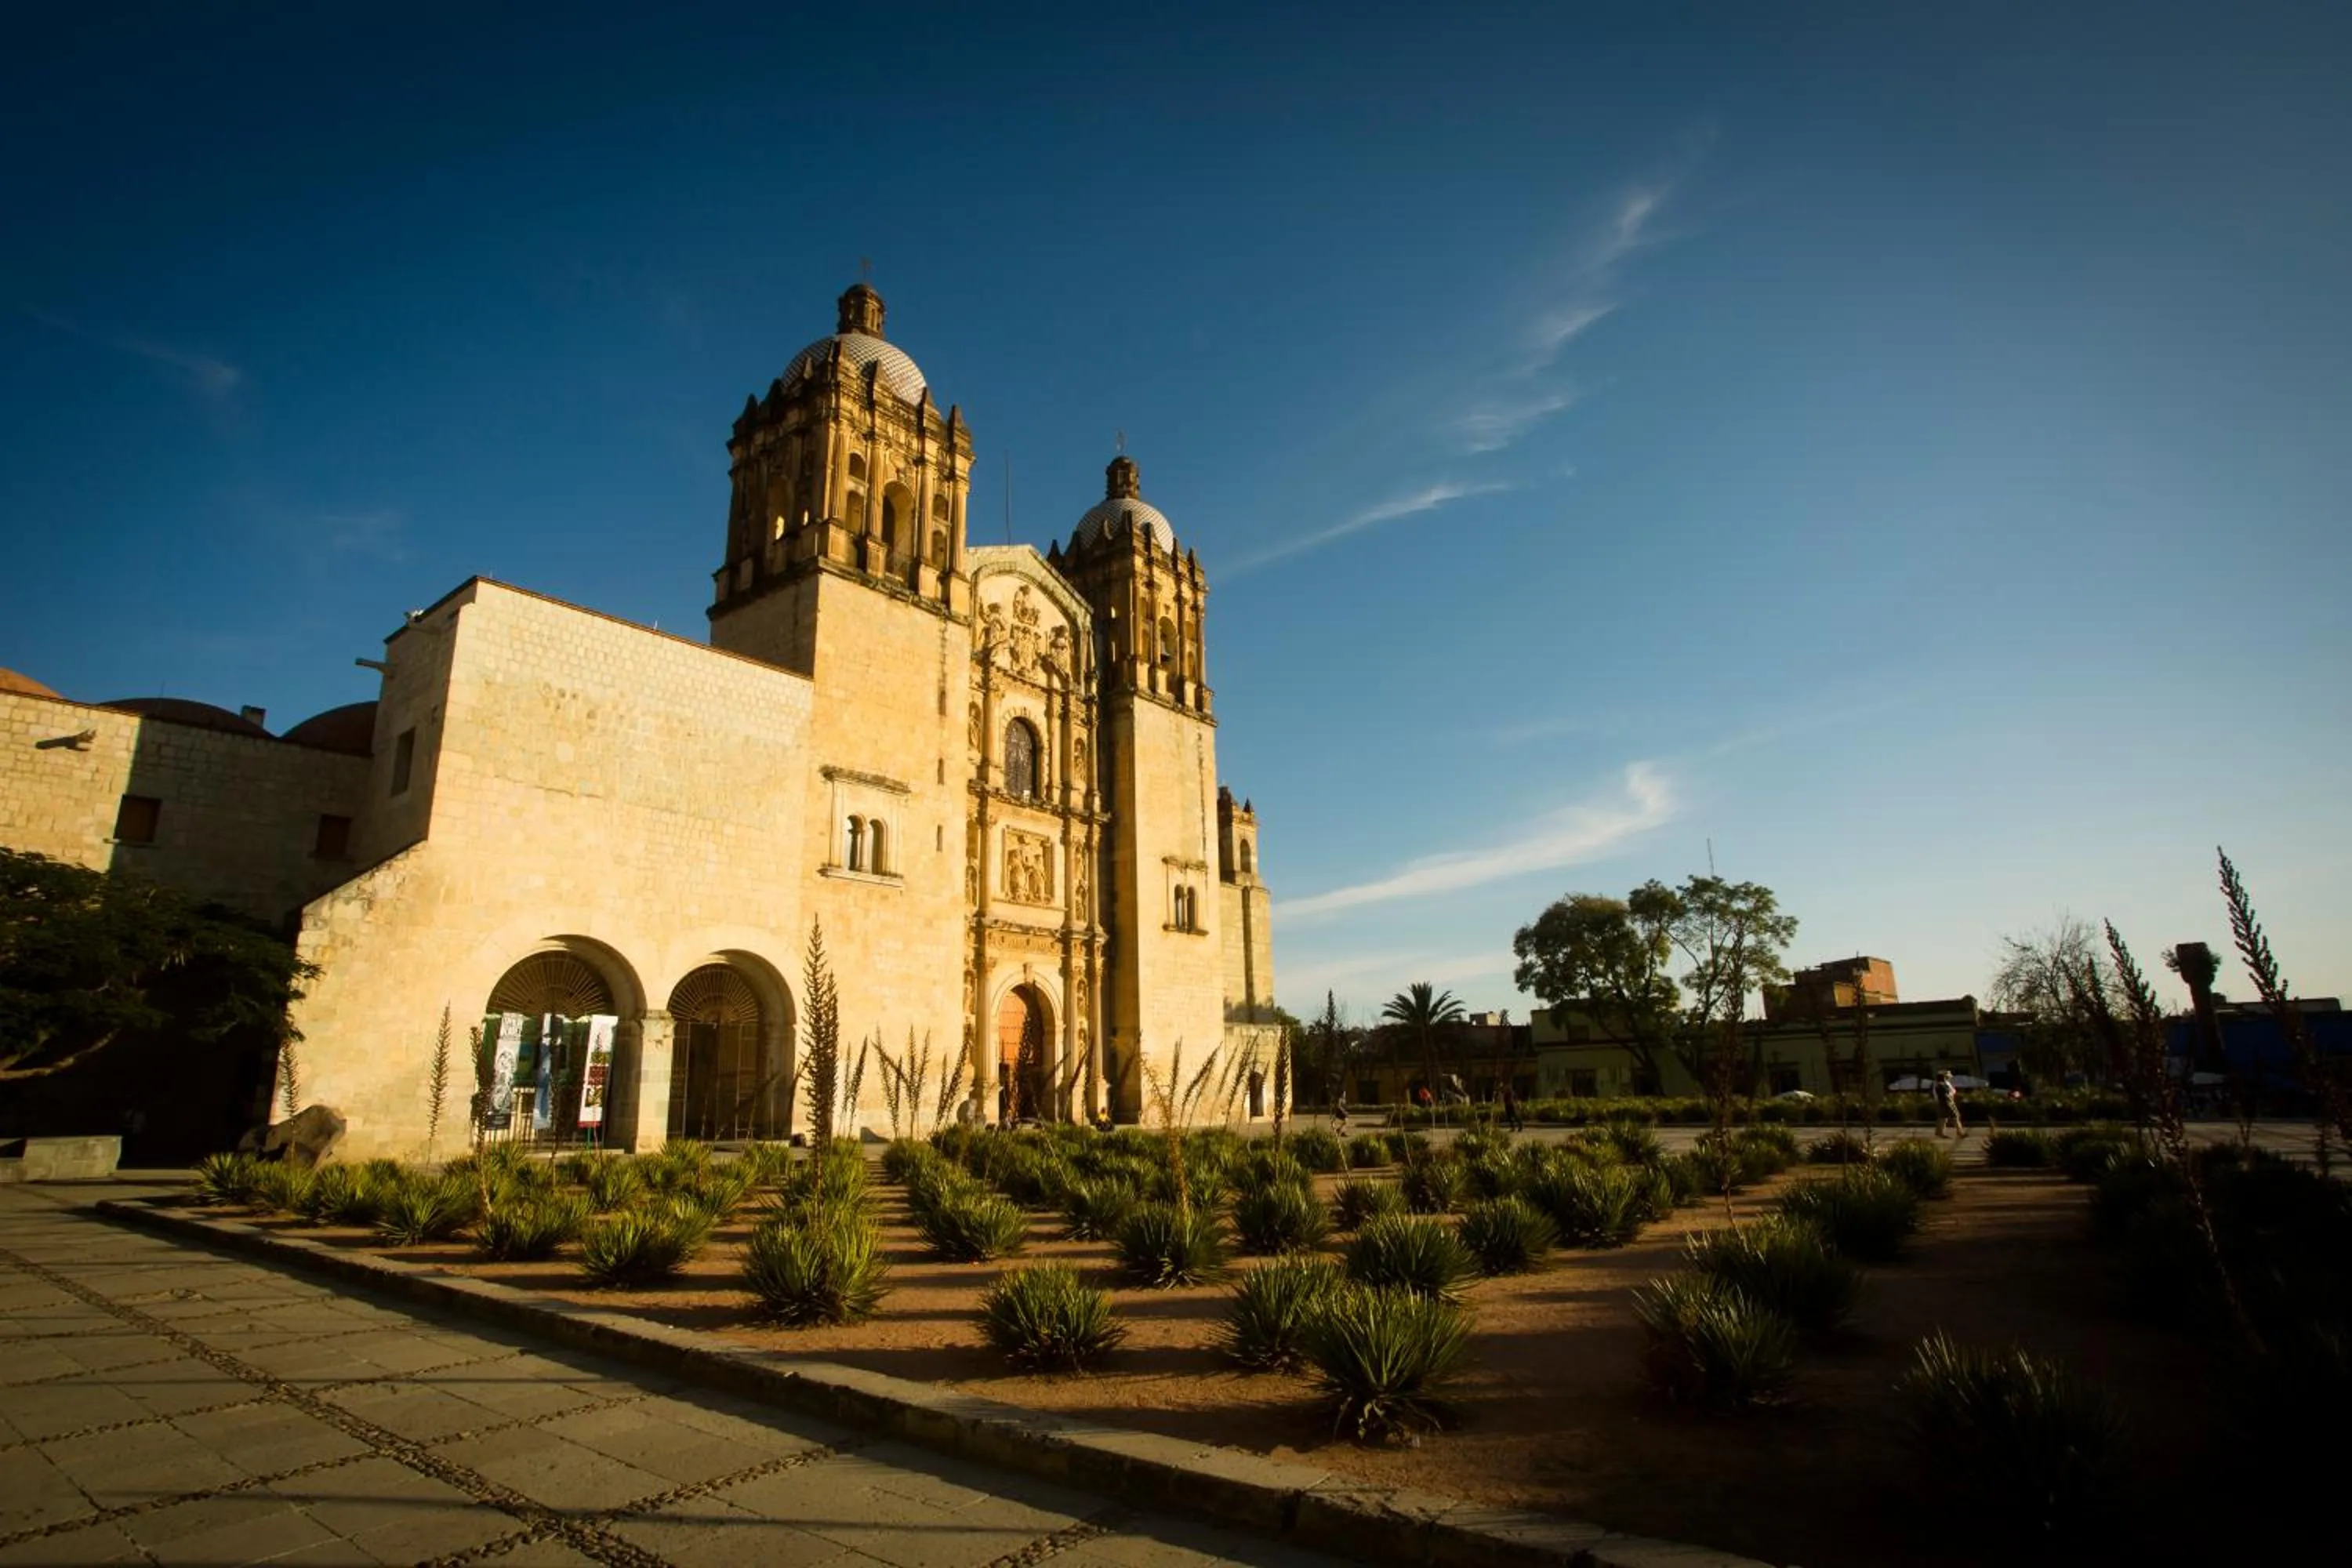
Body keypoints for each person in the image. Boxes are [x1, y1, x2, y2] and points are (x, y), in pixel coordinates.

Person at [1932, 1069, 1965, 1138]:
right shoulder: (1941, 1085)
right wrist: (1950, 1098)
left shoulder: (1943, 1084)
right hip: (1947, 1102)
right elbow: (1945, 1094)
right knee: (1954, 1116)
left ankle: (1939, 1132)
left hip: (1947, 1102)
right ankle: (1960, 1132)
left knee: (1944, 1117)